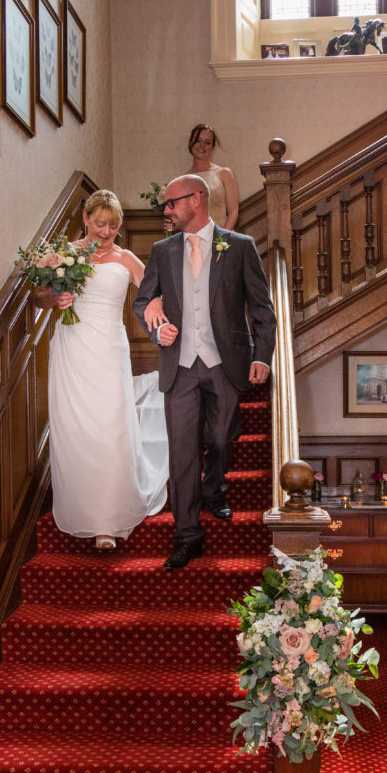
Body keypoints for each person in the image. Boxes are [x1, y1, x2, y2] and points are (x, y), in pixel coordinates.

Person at [133, 174, 276, 570]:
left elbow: (262, 311)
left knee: (222, 437)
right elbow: (143, 302)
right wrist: (157, 327)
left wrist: (261, 357)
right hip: (178, 368)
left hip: (224, 363)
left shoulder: (240, 247)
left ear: (196, 199)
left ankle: (214, 485)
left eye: (172, 203)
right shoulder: (162, 250)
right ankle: (188, 536)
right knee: (181, 455)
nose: (167, 210)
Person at [36, 190, 168, 550]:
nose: (106, 231)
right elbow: (40, 296)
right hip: (71, 345)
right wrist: (55, 299)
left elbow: (156, 294)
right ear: (85, 218)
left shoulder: (125, 259)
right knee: (76, 426)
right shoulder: (66, 254)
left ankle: (108, 523)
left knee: (110, 425)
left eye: (113, 225)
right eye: (100, 223)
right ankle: (84, 510)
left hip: (109, 348)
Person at [187, 123, 239, 229]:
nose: (202, 145)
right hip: (195, 241)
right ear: (190, 143)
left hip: (221, 240)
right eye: (198, 140)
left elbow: (233, 211)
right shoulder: (184, 179)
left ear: (212, 147)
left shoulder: (224, 174)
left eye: (207, 142)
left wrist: (221, 241)